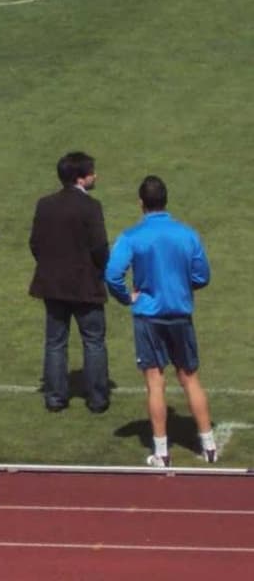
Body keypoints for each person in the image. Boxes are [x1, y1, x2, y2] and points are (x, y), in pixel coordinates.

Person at [105, 176, 217, 467]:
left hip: (148, 316)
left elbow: (112, 274)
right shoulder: (187, 234)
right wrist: (182, 286)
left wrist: (127, 297)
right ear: (166, 200)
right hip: (180, 312)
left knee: (155, 382)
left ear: (141, 203)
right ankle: (209, 446)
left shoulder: (132, 236)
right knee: (190, 378)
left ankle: (162, 452)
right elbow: (202, 276)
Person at [28, 152, 110, 414]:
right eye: (91, 172)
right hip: (85, 284)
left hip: (52, 284)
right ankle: (97, 398)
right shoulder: (91, 207)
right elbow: (99, 246)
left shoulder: (45, 204)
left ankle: (55, 397)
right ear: (80, 178)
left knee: (55, 342)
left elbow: (35, 243)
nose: (95, 176)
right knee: (93, 341)